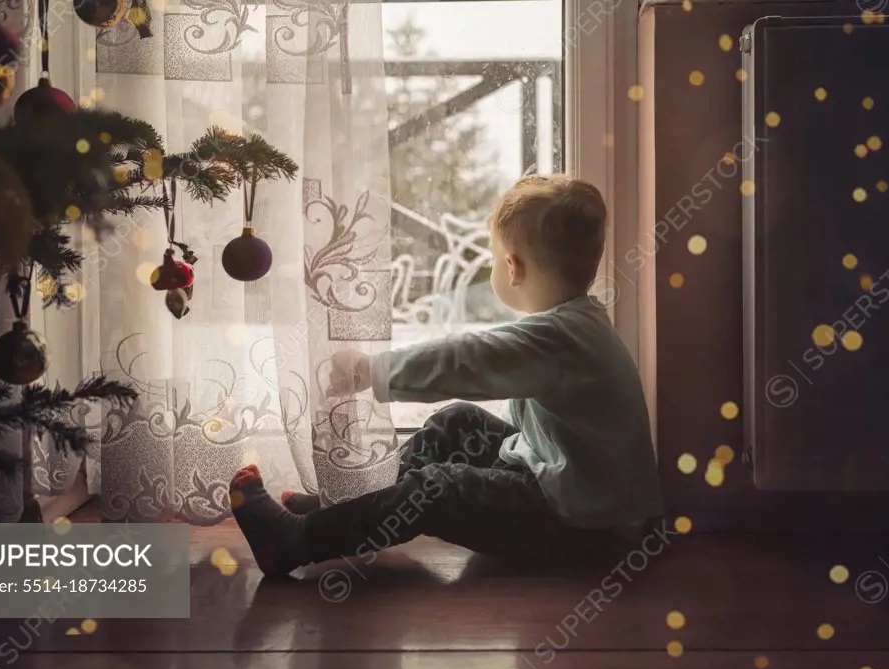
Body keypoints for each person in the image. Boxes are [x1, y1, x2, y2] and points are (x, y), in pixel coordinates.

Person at [230, 175, 664, 577]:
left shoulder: (558, 336)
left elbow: (467, 361)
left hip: (578, 528)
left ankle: (295, 541)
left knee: (437, 489)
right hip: (572, 497)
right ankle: (340, 508)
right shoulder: (578, 323)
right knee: (457, 421)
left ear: (511, 267)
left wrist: (371, 371)